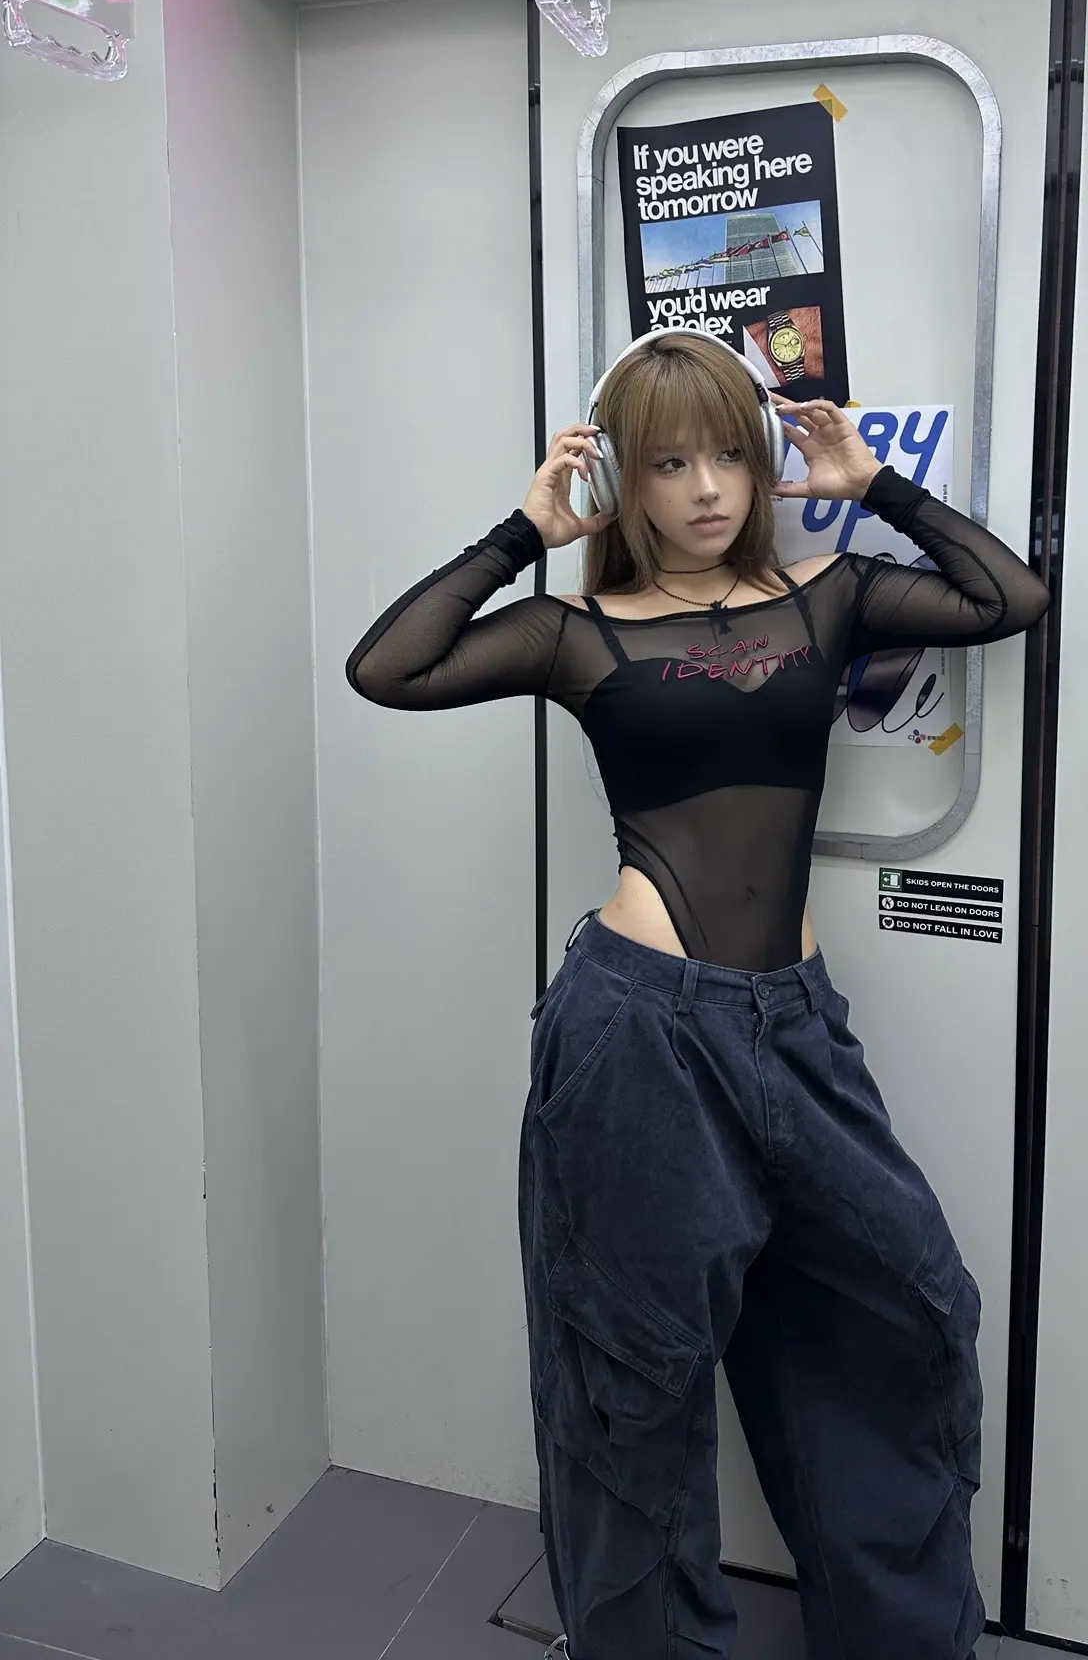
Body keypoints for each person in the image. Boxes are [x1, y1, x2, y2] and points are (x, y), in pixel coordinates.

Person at [346, 330, 1050, 1660]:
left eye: (731, 452)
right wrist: (525, 531)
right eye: (668, 463)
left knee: (900, 1316)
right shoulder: (577, 633)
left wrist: (872, 486)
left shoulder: (829, 596)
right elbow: (389, 668)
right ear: (625, 478)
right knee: (634, 1377)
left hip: (796, 1027)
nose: (709, 488)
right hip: (640, 1032)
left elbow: (1008, 597)